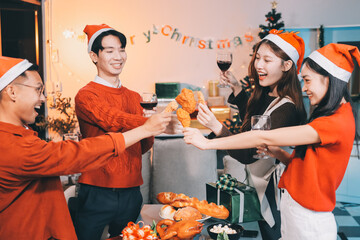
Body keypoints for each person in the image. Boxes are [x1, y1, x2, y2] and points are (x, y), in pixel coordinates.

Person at [184, 43, 359, 240]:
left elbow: (261, 135)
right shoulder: (333, 116)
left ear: (329, 79)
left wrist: (208, 143)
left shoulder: (334, 123)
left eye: (308, 80)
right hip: (297, 211)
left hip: (309, 219)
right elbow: (306, 165)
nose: (305, 88)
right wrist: (278, 152)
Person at [0, 56, 171, 239]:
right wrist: (143, 128)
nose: (43, 98)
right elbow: (73, 154)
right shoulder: (9, 145)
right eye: (38, 90)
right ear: (12, 91)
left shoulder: (20, 134)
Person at [197, 30, 306, 239]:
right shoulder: (268, 93)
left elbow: (248, 153)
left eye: (267, 59)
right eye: (257, 57)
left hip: (280, 194)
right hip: (262, 186)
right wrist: (237, 88)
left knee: (275, 234)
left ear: (286, 65)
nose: (259, 65)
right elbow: (255, 120)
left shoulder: (288, 109)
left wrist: (218, 128)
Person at [73, 24, 157, 240]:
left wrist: (148, 128)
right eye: (109, 51)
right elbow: (112, 120)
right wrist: (147, 123)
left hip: (131, 191)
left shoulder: (134, 96)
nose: (118, 56)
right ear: (94, 56)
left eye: (121, 49)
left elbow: (144, 145)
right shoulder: (86, 95)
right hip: (96, 190)